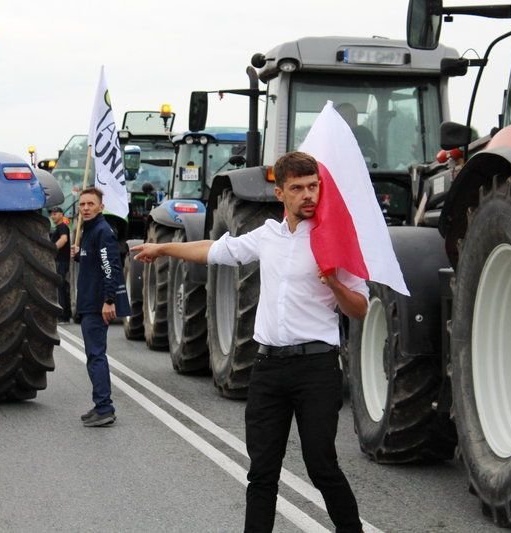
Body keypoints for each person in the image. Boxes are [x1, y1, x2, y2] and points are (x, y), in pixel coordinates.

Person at [133, 151, 367, 532]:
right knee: (261, 473)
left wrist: (336, 283)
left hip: (317, 369)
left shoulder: (332, 238)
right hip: (269, 369)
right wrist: (163, 248)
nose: (308, 195)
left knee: (322, 467)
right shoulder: (267, 235)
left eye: (313, 187)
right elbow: (212, 250)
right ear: (280, 194)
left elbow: (360, 309)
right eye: (298, 188)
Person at [70, 187, 130, 428]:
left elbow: (110, 267)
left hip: (96, 305)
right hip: (88, 303)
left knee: (96, 356)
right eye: (82, 204)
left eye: (90, 204)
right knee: (93, 356)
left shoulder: (102, 231)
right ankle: (100, 405)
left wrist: (109, 300)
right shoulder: (89, 230)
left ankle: (105, 408)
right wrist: (78, 255)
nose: (85, 208)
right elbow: (94, 261)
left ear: (100, 207)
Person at [49, 206, 72, 323]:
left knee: (61, 287)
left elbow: (64, 239)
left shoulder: (62, 226)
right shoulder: (58, 227)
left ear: (61, 214)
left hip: (61, 261)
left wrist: (51, 249)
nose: (53, 216)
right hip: (60, 261)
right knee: (61, 287)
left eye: (55, 213)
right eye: (51, 214)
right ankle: (65, 314)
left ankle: (63, 315)